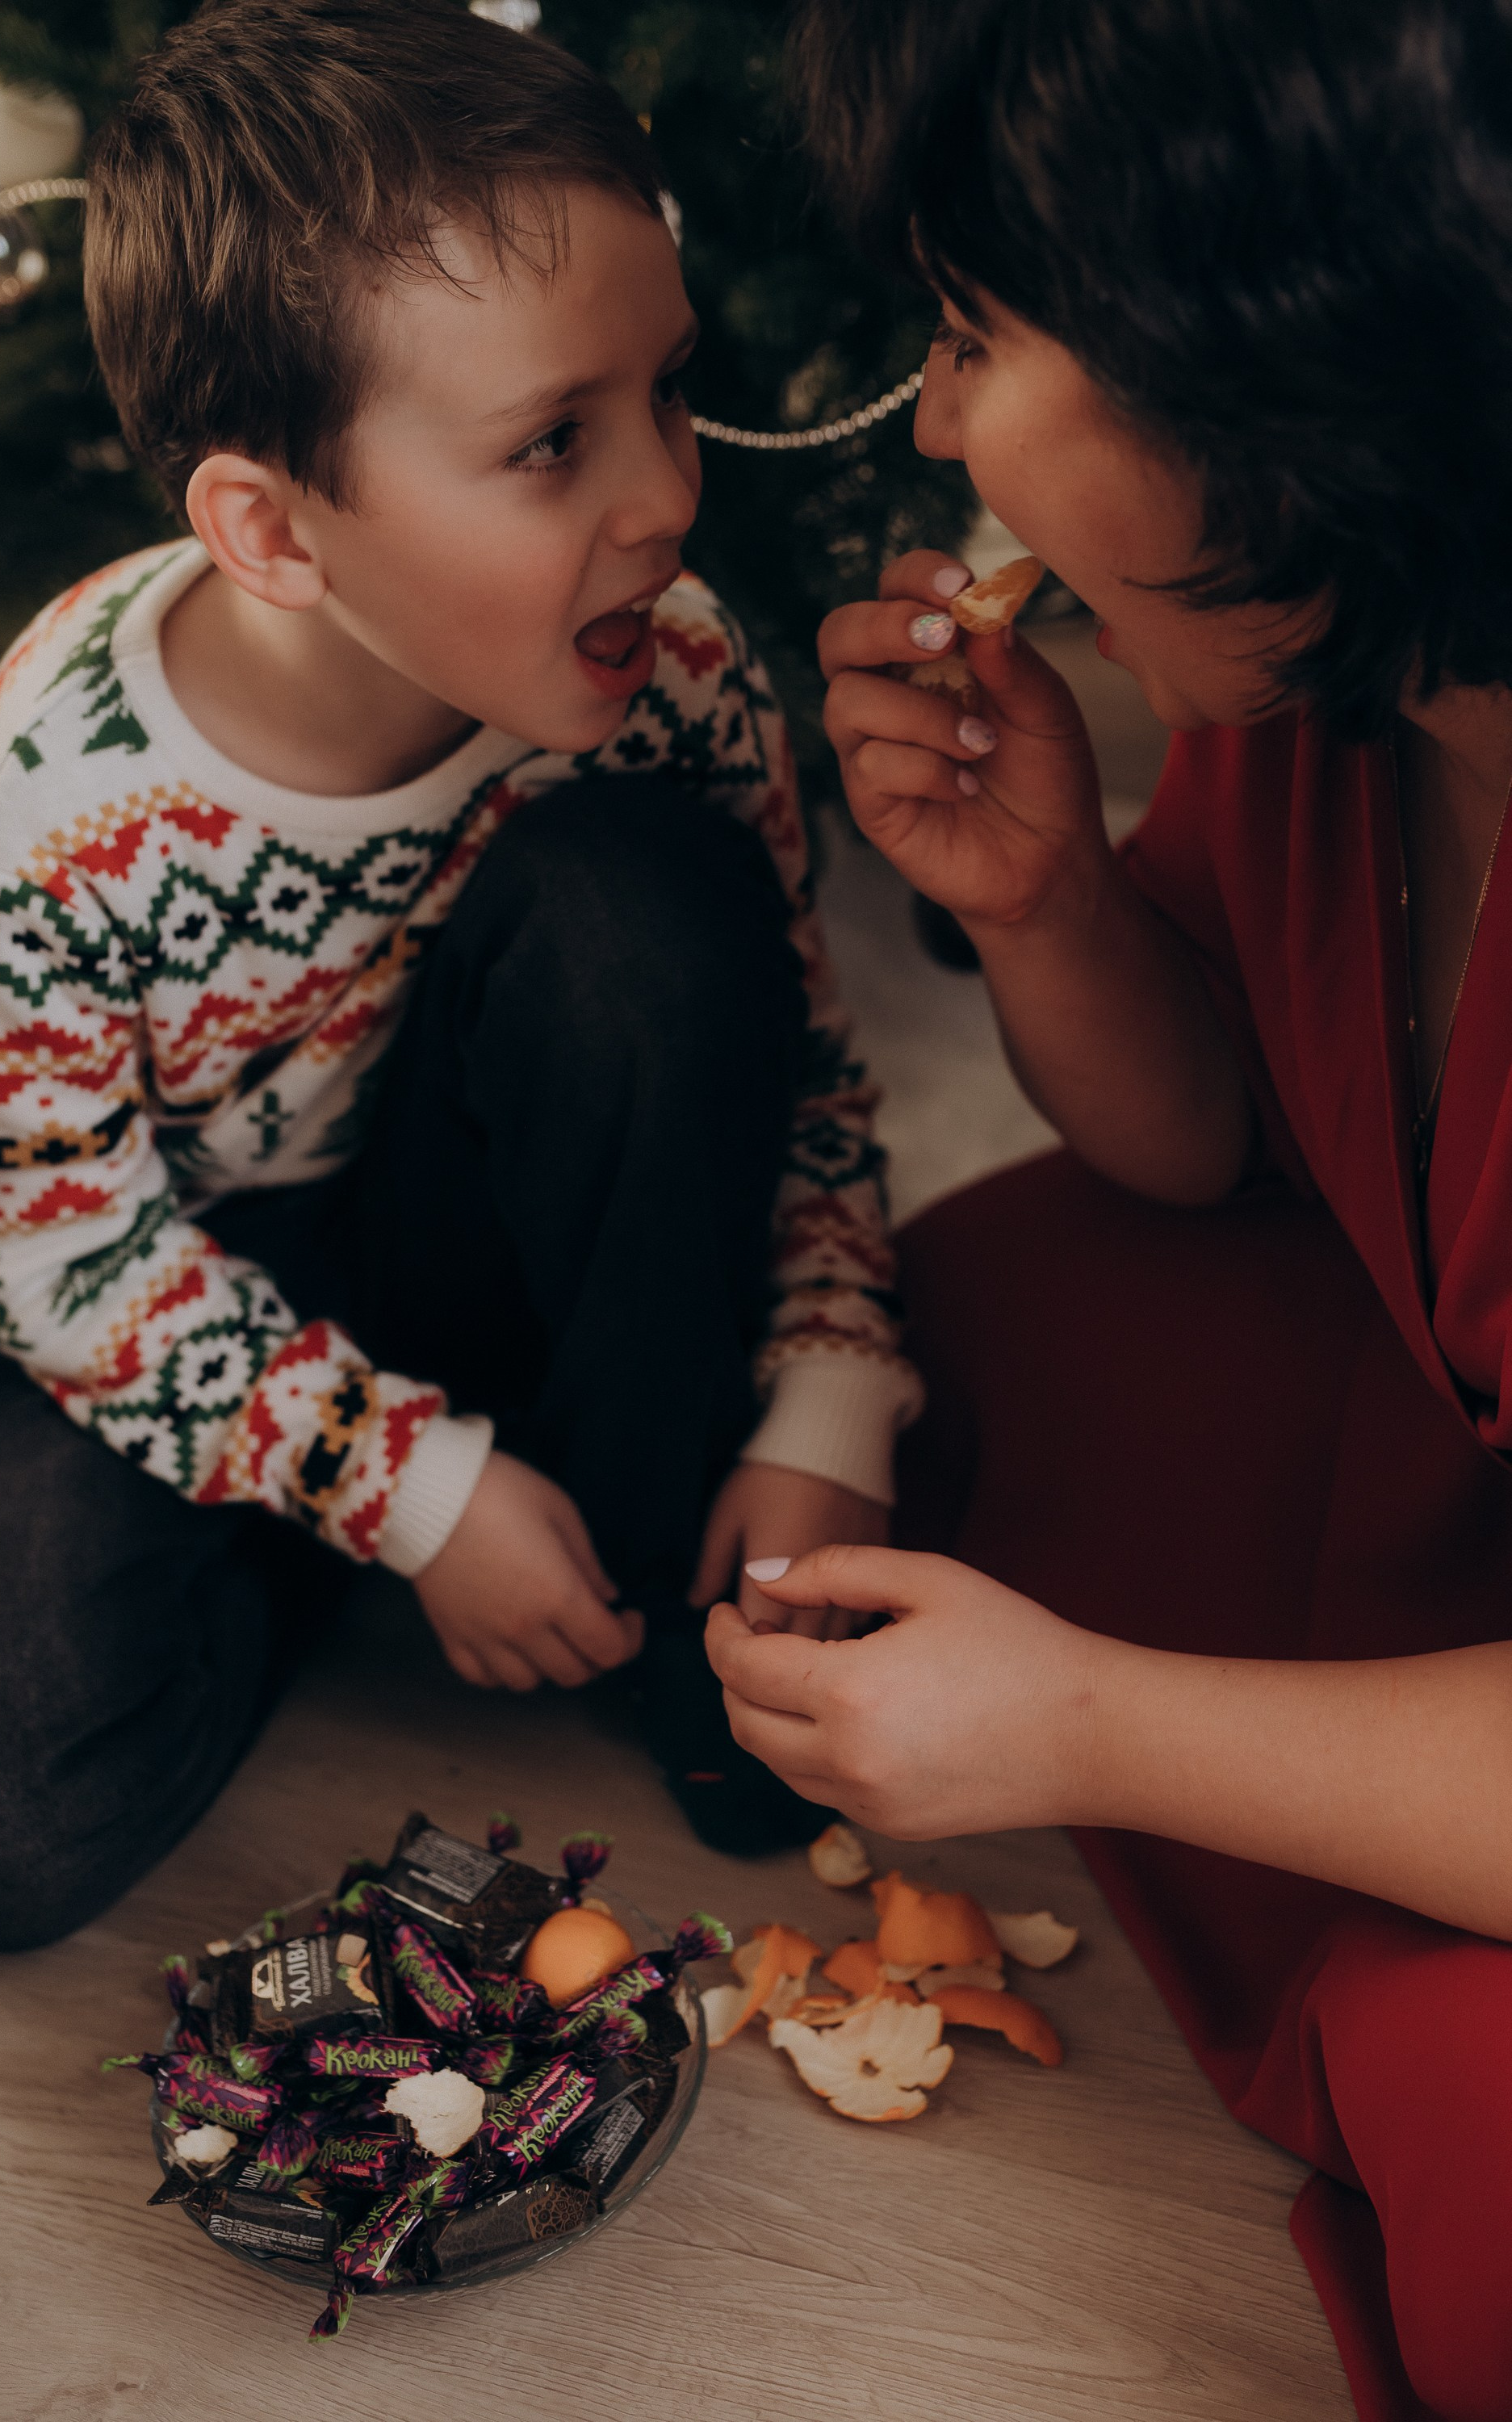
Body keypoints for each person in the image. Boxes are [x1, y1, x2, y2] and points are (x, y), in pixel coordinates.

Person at [0, 0, 923, 1953]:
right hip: (221, 1274)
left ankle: (629, 1531)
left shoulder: (672, 669)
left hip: (550, 1222)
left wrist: (828, 1405)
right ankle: (371, 1533)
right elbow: (51, 1243)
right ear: (270, 532)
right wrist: (403, 1489)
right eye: (552, 442)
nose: (663, 500)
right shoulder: (52, 804)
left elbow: (795, 1072)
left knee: (648, 921)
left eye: (668, 395)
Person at [706, 2, 1512, 2416]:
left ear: (1287, 378)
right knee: (1000, 1300)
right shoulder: (1349, 714)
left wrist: (1089, 1726)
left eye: (973, 336)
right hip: (1425, 1430)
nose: (936, 427)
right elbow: (1223, 1149)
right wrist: (1048, 905)